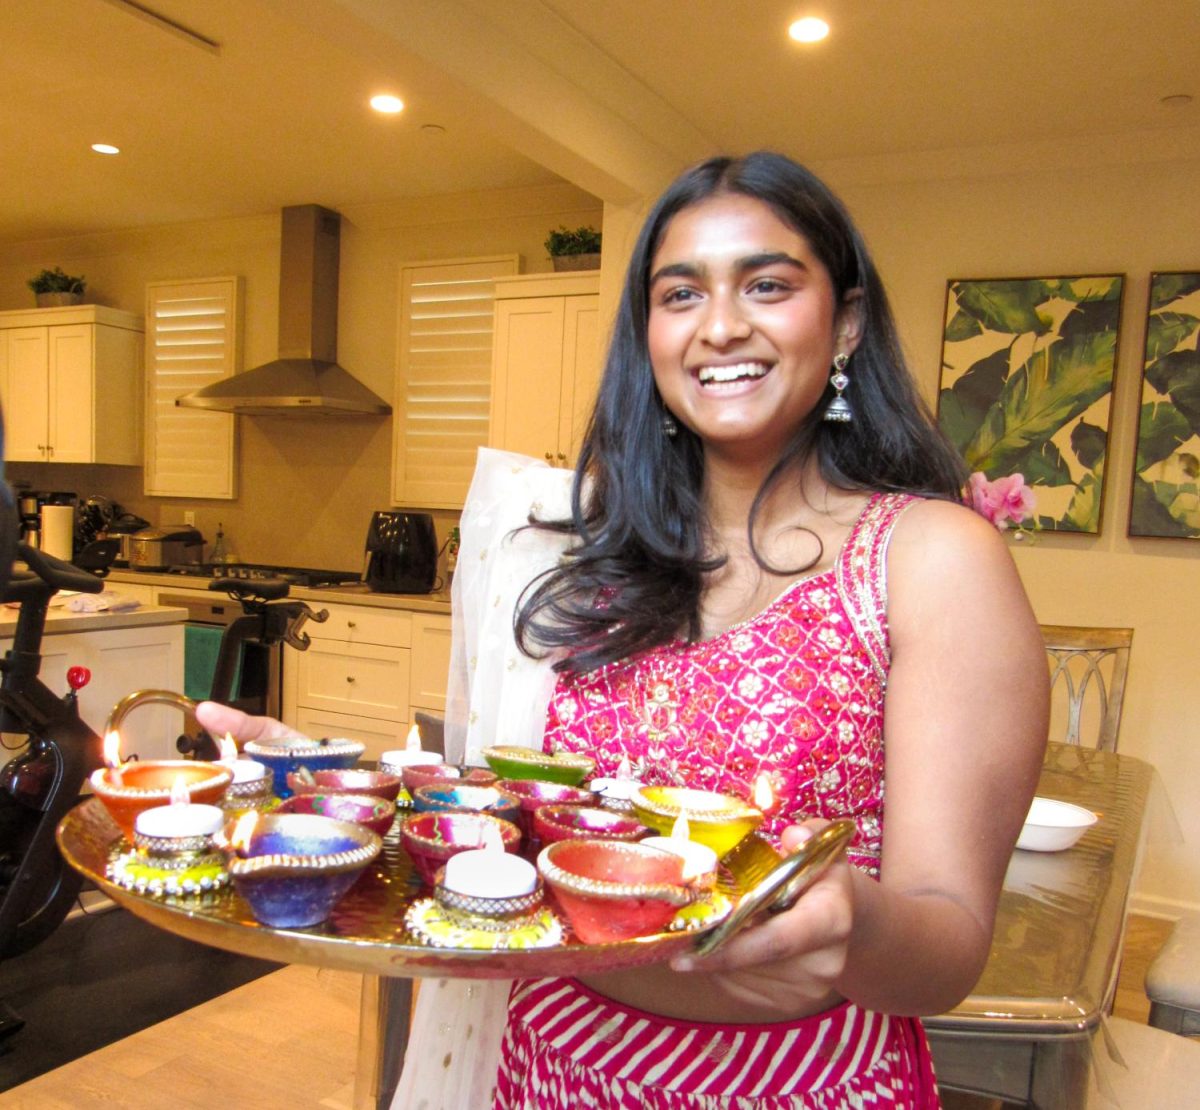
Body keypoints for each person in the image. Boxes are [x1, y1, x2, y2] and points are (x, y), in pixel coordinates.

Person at [199, 151, 1049, 1109]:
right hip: (546, 1067)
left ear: (846, 321)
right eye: (680, 294)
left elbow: (948, 950)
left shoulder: (932, 560)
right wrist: (324, 780)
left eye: (767, 284)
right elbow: (507, 819)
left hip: (798, 1087)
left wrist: (854, 921)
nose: (721, 324)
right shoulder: (576, 557)